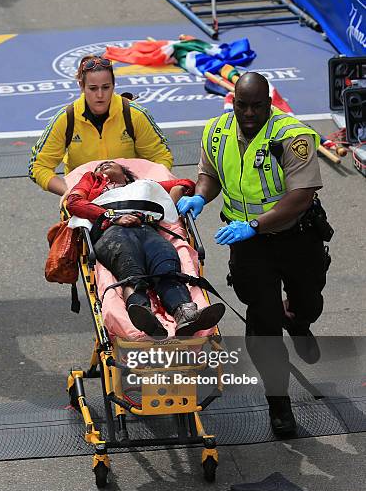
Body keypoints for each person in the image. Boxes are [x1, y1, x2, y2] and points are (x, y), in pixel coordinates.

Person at [177, 72, 329, 435]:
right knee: (263, 320)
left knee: (307, 300)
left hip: (296, 236)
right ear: (233, 100)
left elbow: (300, 197)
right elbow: (210, 173)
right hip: (248, 245)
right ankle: (279, 403)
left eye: (256, 106)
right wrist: (200, 194)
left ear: (269, 104)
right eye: (241, 104)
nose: (247, 113)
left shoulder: (293, 137)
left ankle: (300, 321)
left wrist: (257, 224)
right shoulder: (216, 131)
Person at [66, 161, 225, 337]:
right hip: (112, 232)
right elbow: (73, 202)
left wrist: (173, 198)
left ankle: (185, 315)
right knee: (131, 268)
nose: (103, 165)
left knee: (166, 264)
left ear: (126, 174)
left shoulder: (144, 186)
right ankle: (143, 312)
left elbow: (186, 183)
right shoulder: (91, 181)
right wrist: (112, 217)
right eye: (99, 167)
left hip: (148, 229)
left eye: (110, 163)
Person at [28, 55, 174, 195]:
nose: (99, 95)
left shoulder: (136, 115)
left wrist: (144, 188)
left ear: (113, 85)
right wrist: (70, 192)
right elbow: (38, 166)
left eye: (106, 87)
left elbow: (161, 158)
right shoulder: (66, 119)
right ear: (81, 86)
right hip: (84, 197)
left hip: (132, 193)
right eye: (93, 88)